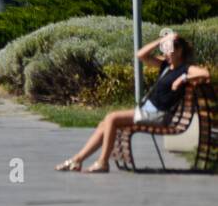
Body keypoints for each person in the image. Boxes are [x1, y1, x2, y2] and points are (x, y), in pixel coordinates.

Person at [56, 31, 211, 173]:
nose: (166, 53)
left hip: (158, 115)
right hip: (149, 111)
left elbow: (205, 73)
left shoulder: (185, 68)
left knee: (111, 117)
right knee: (105, 123)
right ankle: (78, 160)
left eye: (169, 49)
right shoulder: (165, 65)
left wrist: (183, 78)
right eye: (164, 49)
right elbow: (141, 55)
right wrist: (161, 40)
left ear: (179, 51)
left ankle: (102, 162)